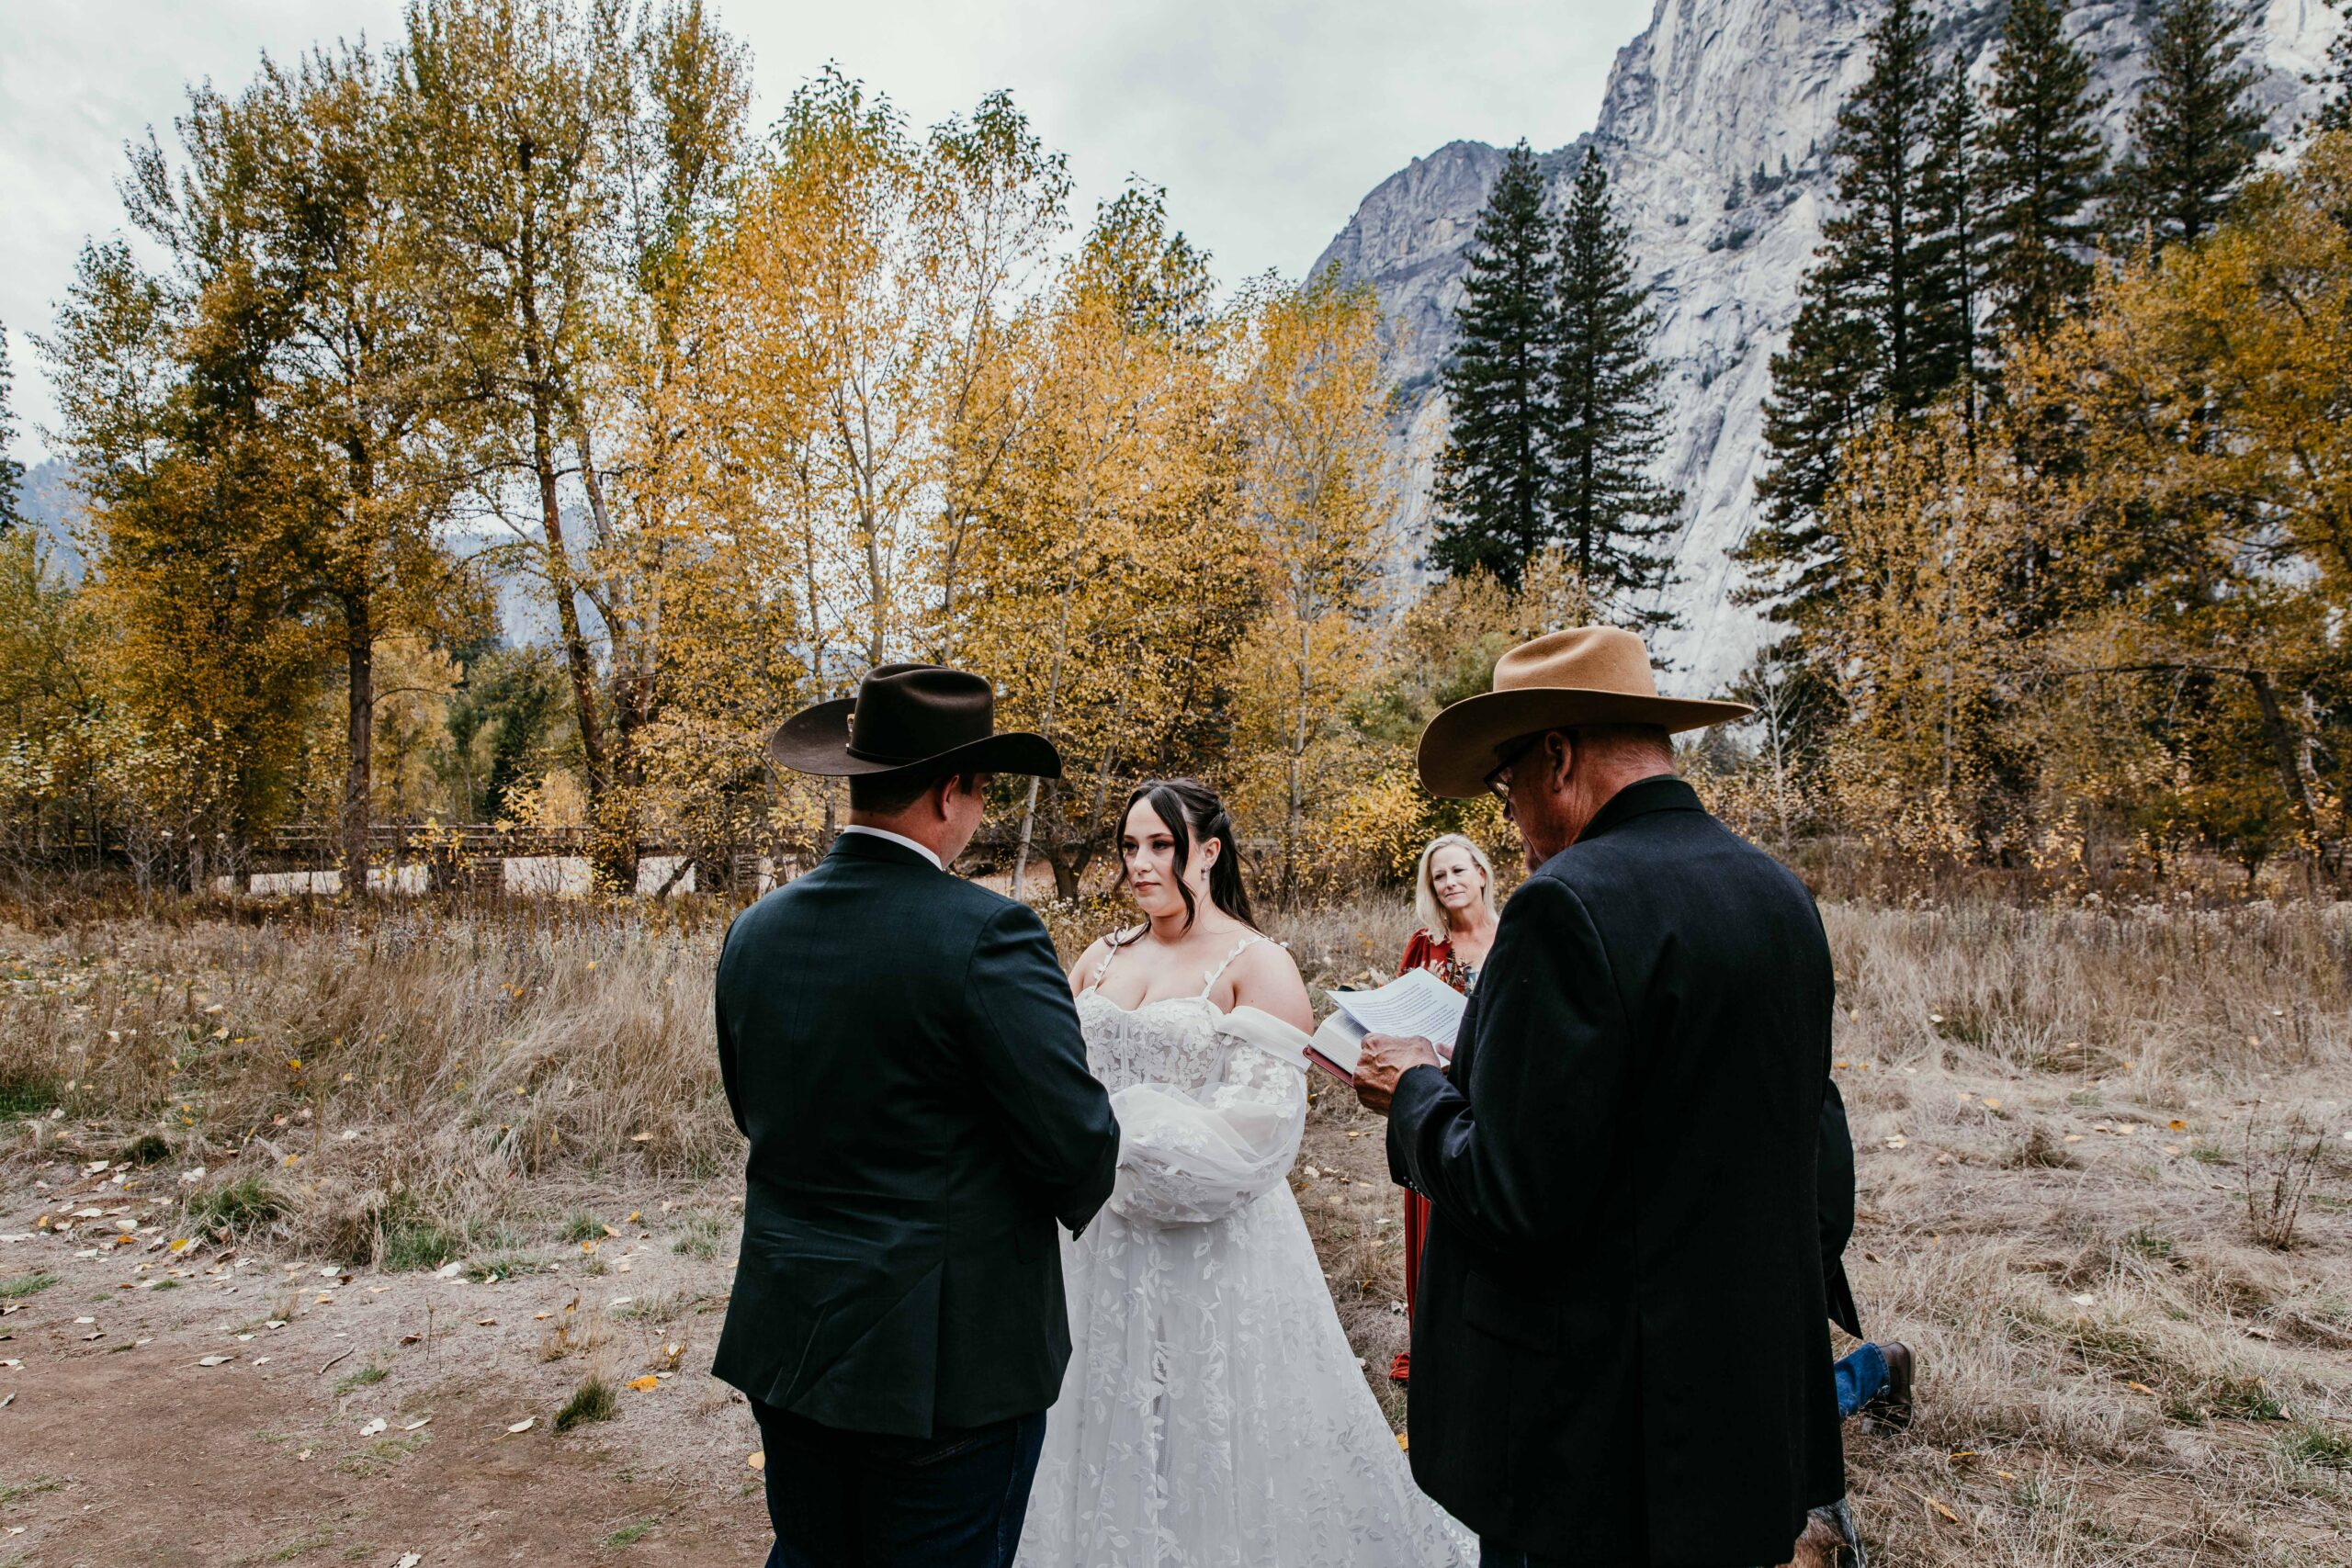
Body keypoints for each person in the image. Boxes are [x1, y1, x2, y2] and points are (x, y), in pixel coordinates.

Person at [1353, 626, 1845, 1568]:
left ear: (1558, 757)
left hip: (1597, 1441)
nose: (1513, 823)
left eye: (1506, 793)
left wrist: (1416, 1090)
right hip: (1744, 1411)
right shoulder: (1777, 892)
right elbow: (1815, 1147)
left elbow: (1515, 1189)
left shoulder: (1564, 905)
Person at [714, 663, 1122, 1568]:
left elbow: (756, 1111)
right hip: (942, 1367)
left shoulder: (755, 931)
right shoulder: (987, 934)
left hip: (791, 1339)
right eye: (980, 795)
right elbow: (1076, 1147)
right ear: (950, 794)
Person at [1019, 779, 1472, 1568]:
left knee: (1209, 1437)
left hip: (1214, 1254)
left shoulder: (1258, 963)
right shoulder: (1097, 957)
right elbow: (1055, 1081)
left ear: (1209, 851)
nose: (1141, 863)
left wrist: (1107, 1141)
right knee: (1104, 1429)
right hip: (1097, 1249)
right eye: (1129, 846)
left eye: (1160, 844)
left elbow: (1258, 1140)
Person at [1392, 832, 1500, 1384]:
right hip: (1437, 1096)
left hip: (1496, 1098)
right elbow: (1400, 1018)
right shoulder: (1425, 947)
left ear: (1481, 873)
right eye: (1440, 877)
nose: (1451, 882)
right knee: (1433, 1218)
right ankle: (1435, 1342)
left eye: (1459, 871)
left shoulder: (1515, 938)